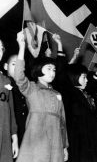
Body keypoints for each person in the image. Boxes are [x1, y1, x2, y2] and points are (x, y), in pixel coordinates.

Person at [14, 31, 68, 162]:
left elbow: (62, 123)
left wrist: (65, 147)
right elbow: (19, 77)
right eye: (48, 68)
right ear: (38, 69)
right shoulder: (31, 88)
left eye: (54, 70)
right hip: (35, 141)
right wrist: (21, 47)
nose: (52, 72)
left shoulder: (57, 94)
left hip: (55, 144)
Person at [67, 63, 97, 162]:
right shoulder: (70, 94)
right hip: (81, 141)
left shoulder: (84, 93)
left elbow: (92, 85)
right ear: (75, 77)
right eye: (84, 77)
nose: (86, 80)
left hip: (91, 138)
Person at [4, 54, 28, 146]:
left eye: (21, 65)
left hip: (24, 132)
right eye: (14, 64)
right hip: (8, 132)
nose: (18, 67)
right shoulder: (4, 84)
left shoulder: (26, 86)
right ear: (6, 66)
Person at [0, 39, 18, 162]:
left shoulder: (6, 81)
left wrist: (14, 138)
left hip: (4, 136)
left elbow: (10, 109)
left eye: (1, 48)